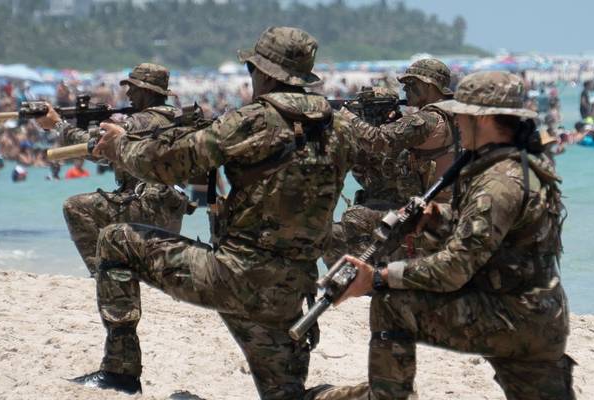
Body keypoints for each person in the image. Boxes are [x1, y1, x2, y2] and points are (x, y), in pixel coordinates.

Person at [88, 27, 428, 399]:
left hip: (235, 276)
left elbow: (168, 164)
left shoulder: (254, 119)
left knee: (115, 239)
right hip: (293, 290)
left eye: (252, 70)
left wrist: (120, 147)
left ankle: (119, 373)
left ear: (264, 73)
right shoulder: (341, 125)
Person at [315, 70, 574, 400]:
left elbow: (454, 269)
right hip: (540, 311)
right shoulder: (517, 165)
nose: (457, 124)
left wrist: (378, 278)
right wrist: (439, 216)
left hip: (511, 317)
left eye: (461, 117)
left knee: (393, 303)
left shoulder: (497, 183)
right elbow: (498, 231)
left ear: (482, 120)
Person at [33, 63, 192, 395]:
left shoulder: (143, 120)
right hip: (165, 209)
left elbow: (99, 148)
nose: (128, 92)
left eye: (133, 87)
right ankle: (114, 274)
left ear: (148, 92)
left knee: (76, 208)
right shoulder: (167, 119)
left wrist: (57, 124)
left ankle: (109, 275)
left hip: (148, 205)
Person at [327, 59, 459, 264]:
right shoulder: (453, 115)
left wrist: (346, 115)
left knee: (356, 216)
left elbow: (378, 140)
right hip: (441, 209)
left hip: (428, 214)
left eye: (411, 84)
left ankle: (366, 276)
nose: (405, 90)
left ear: (428, 85)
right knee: (336, 234)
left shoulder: (429, 119)